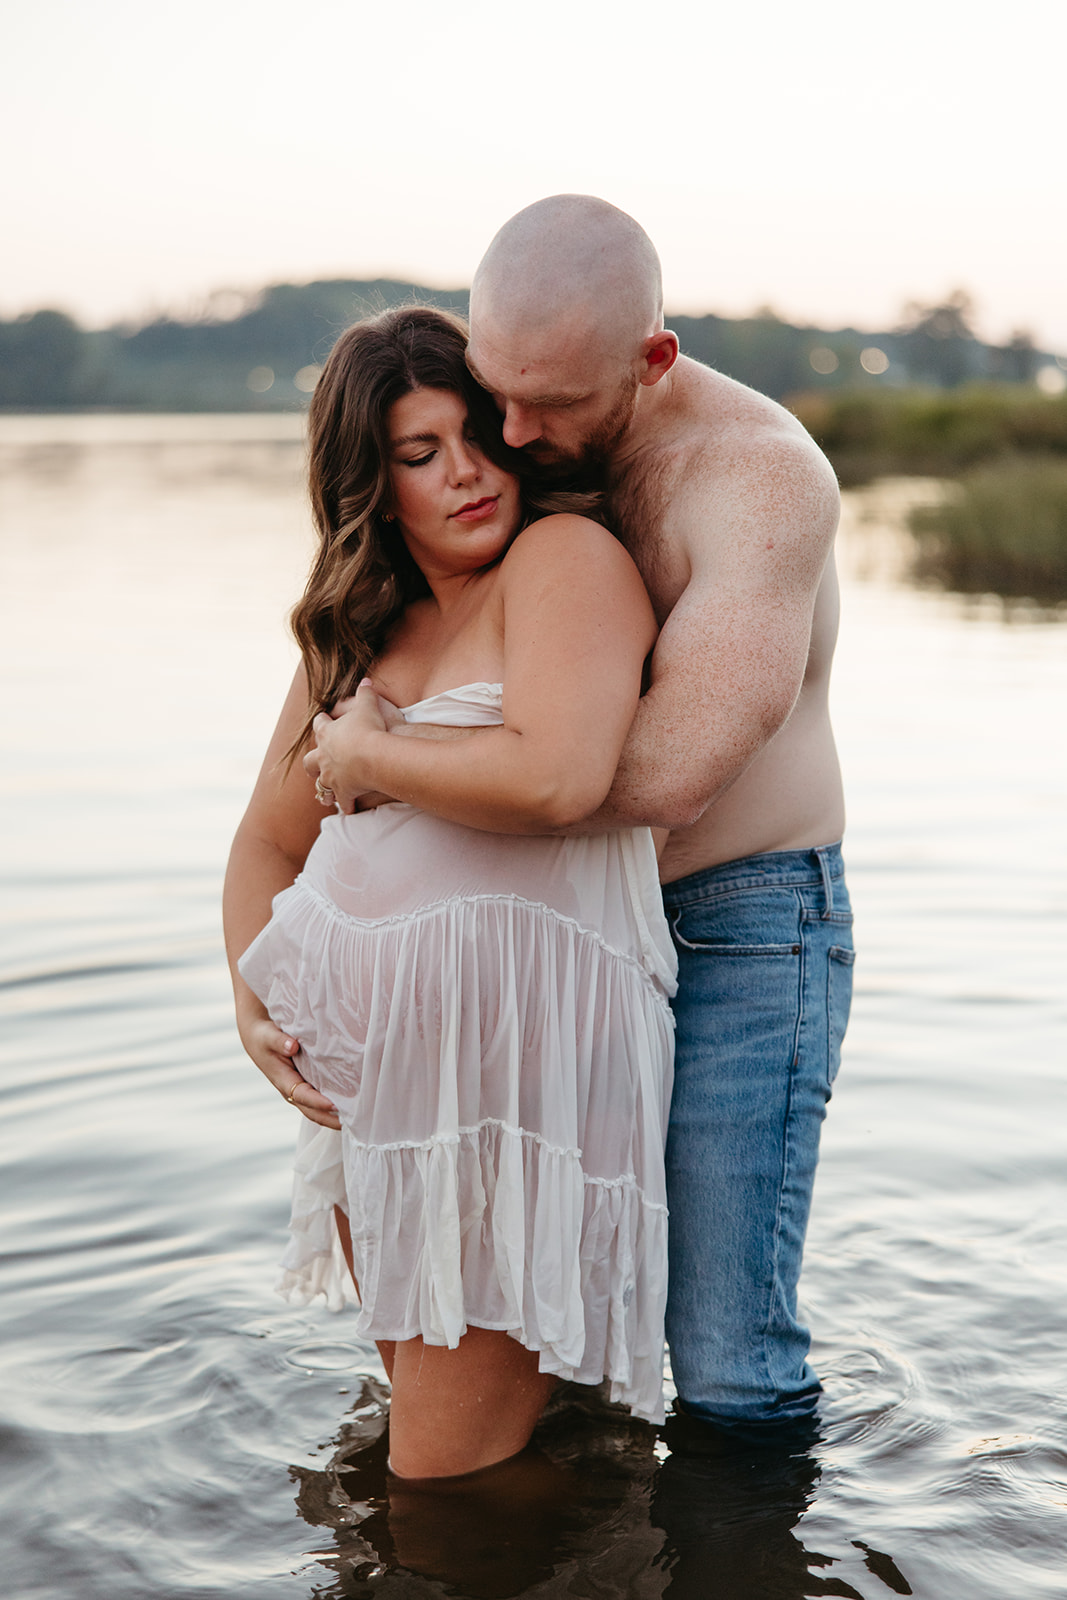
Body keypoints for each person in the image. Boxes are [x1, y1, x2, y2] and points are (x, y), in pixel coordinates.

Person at [308, 196, 855, 1446]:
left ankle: (745, 1555)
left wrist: (395, 765)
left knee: (722, 1359)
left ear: (650, 360)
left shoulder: (757, 481)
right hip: (566, 936)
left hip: (738, 924)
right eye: (495, 388)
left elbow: (659, 775)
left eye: (541, 405)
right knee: (560, 1319)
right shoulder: (524, 443)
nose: (509, 432)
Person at [222, 305, 677, 1481]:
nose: (466, 473)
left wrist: (368, 759)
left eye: (472, 435)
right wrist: (252, 1009)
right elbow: (264, 848)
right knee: (469, 1448)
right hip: (384, 1105)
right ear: (369, 482)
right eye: (419, 455)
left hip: (513, 1108)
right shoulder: (358, 629)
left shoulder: (560, 561)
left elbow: (557, 777)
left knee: (433, 1480)